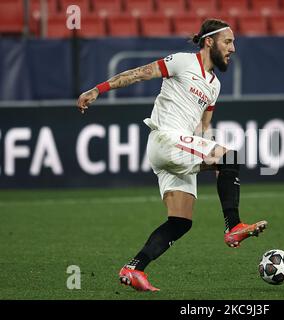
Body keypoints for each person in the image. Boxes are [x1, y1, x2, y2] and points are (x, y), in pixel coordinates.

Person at [76, 19, 267, 292]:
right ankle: (233, 226)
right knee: (231, 156)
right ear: (209, 41)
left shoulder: (214, 85)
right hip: (166, 138)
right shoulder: (182, 61)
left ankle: (133, 268)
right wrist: (98, 90)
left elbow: (204, 128)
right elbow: (140, 73)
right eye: (228, 41)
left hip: (179, 150)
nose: (233, 48)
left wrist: (216, 163)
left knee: (180, 222)